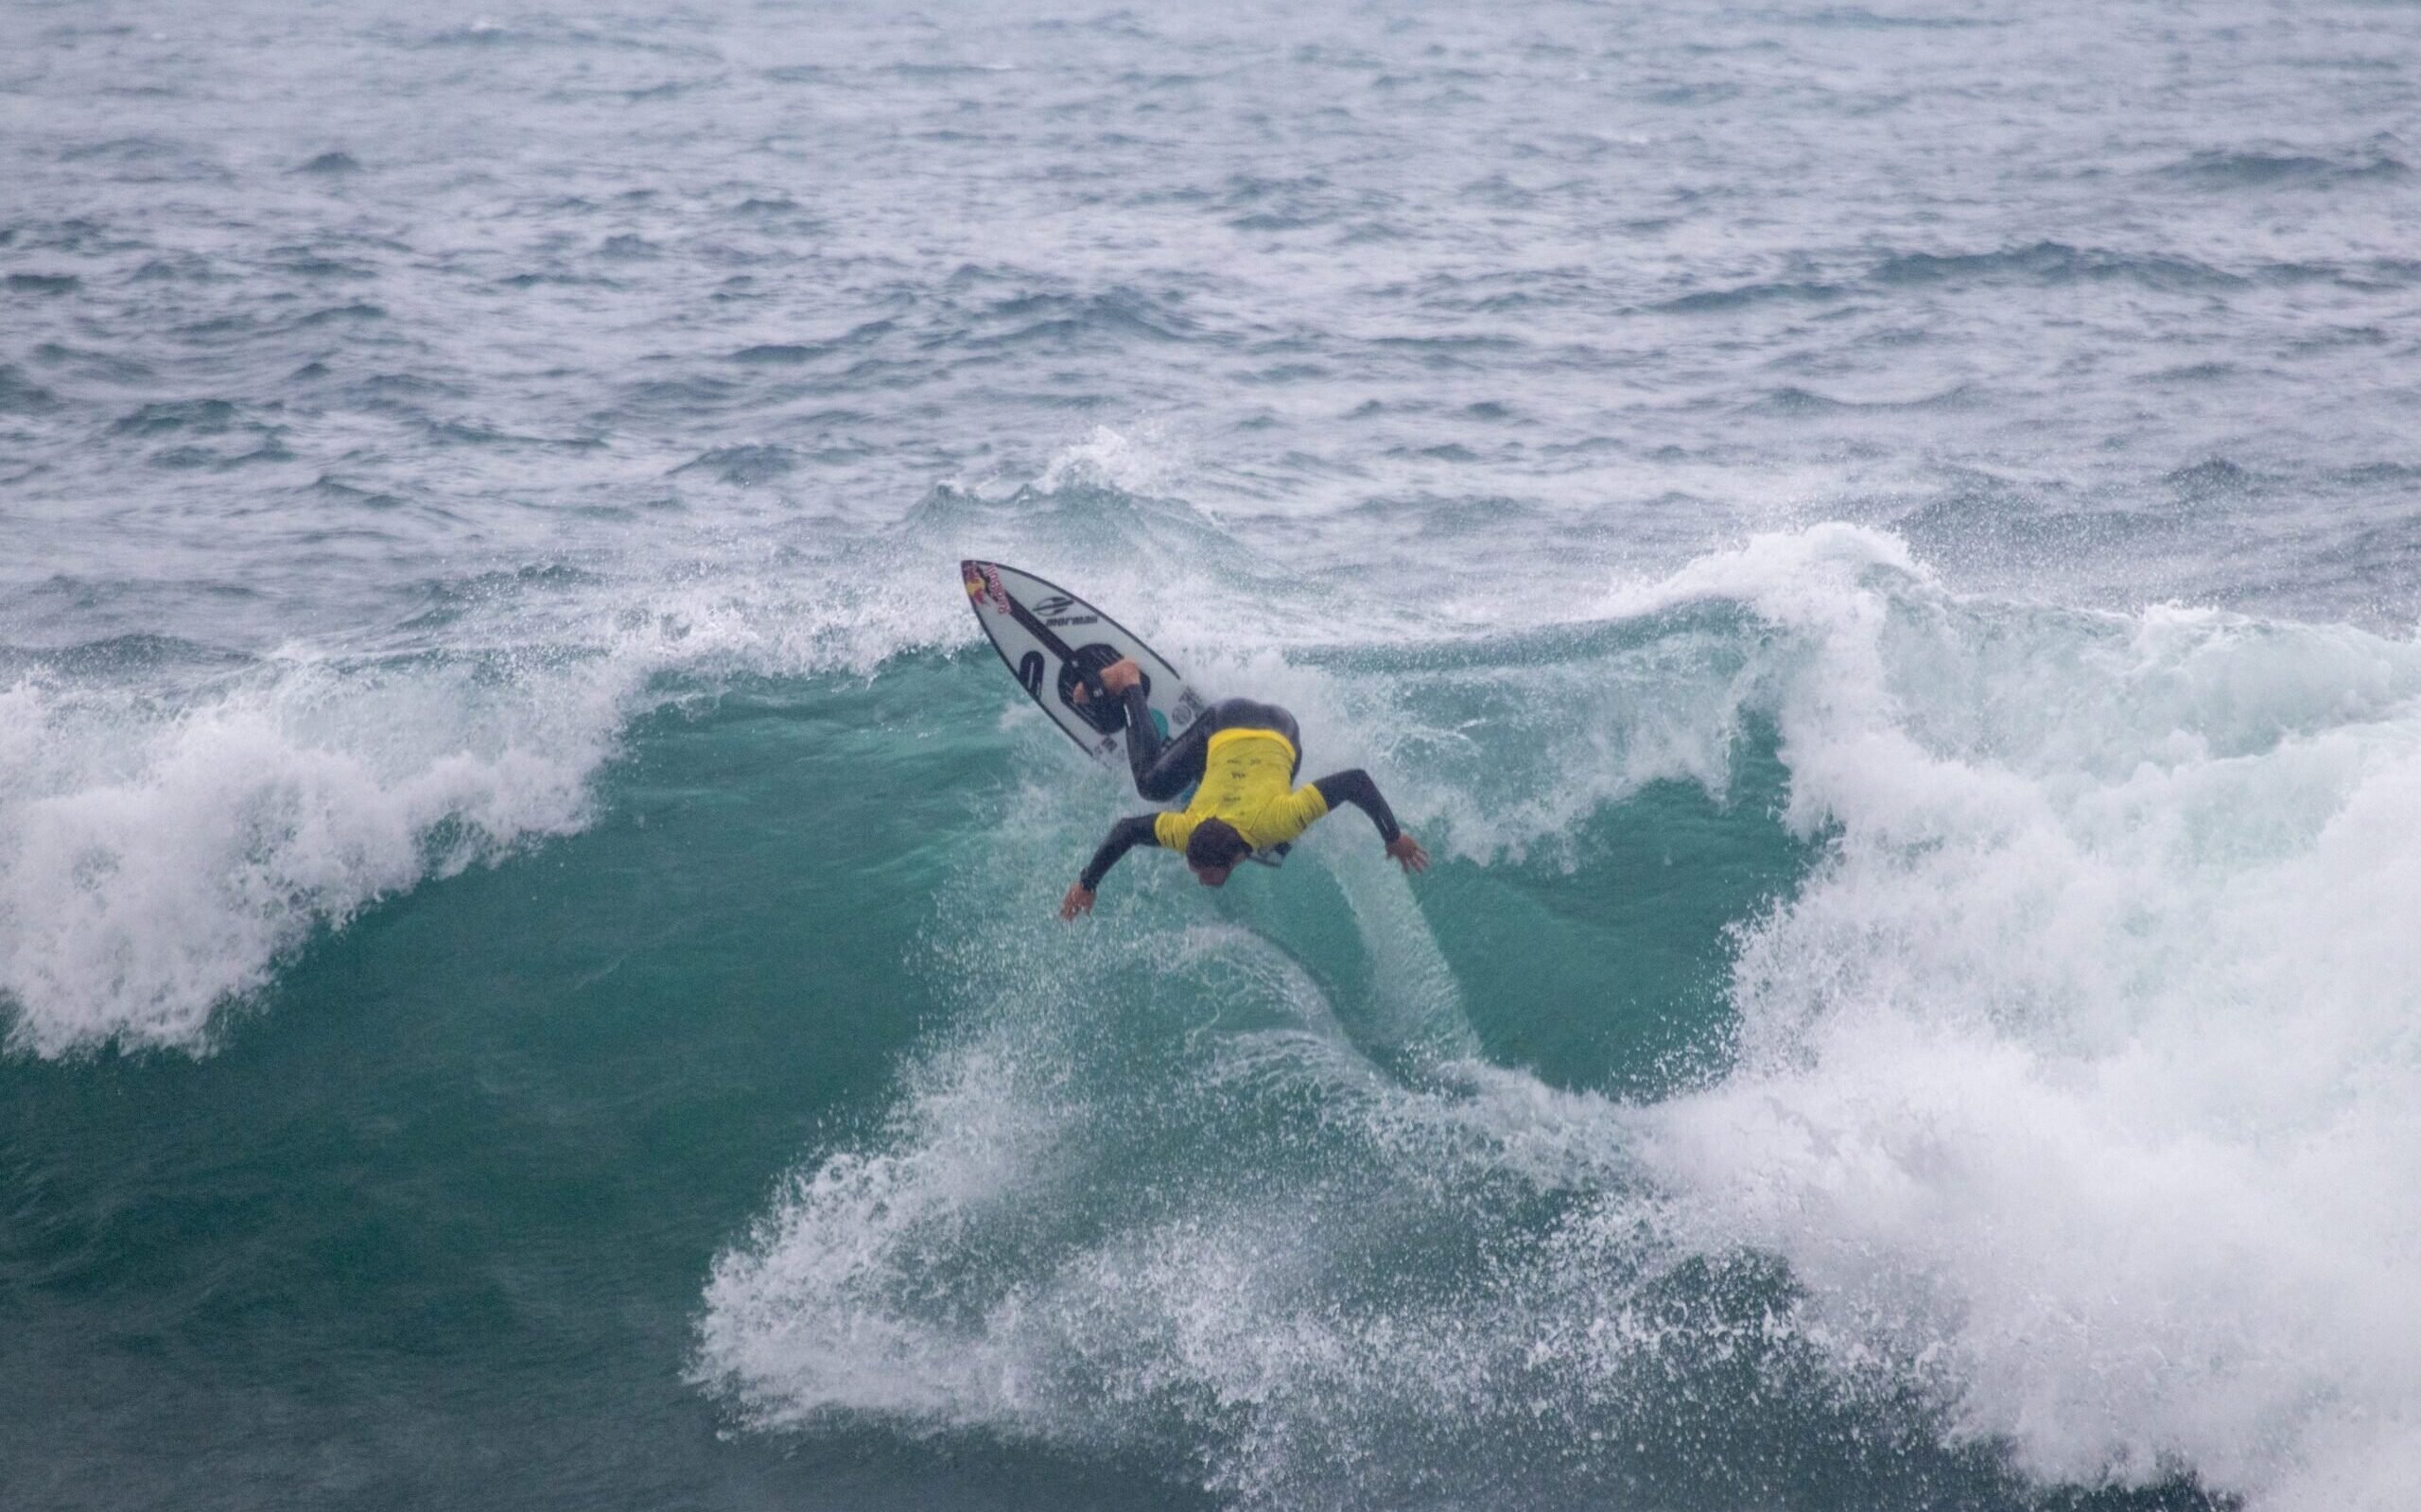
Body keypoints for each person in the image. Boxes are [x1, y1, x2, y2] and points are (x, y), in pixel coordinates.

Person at [1059, 658, 1428, 919]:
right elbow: (1125, 831)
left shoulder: (1241, 823)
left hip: (1257, 724)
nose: (1201, 880)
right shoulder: (1267, 822)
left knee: (1159, 786)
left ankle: (1136, 692)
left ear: (1234, 856)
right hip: (1253, 726)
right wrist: (1087, 883)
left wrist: (1393, 837)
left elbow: (1356, 782)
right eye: (1203, 872)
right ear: (1234, 857)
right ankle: (1138, 695)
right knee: (1156, 786)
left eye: (1201, 872)